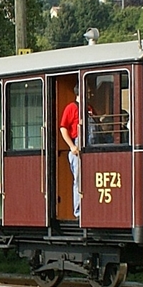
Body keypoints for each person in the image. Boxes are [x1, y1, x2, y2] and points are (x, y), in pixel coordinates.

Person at [59, 83, 82, 220]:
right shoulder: (71, 108)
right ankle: (78, 212)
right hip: (77, 148)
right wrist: (72, 146)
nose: (90, 94)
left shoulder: (89, 108)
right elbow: (63, 128)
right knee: (78, 180)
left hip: (89, 147)